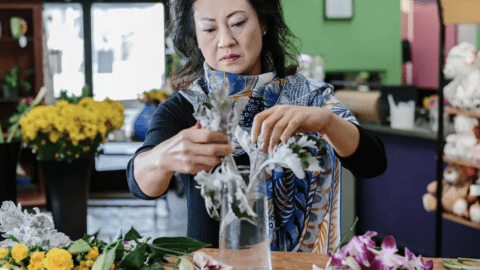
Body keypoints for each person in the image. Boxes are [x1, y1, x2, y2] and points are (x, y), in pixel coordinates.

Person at [127, 0, 387, 253]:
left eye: (238, 23)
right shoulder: (186, 107)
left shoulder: (310, 99)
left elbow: (373, 163)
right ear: (196, 35)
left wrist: (327, 122)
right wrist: (161, 158)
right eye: (209, 29)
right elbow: (140, 185)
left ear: (263, 23)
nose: (225, 40)